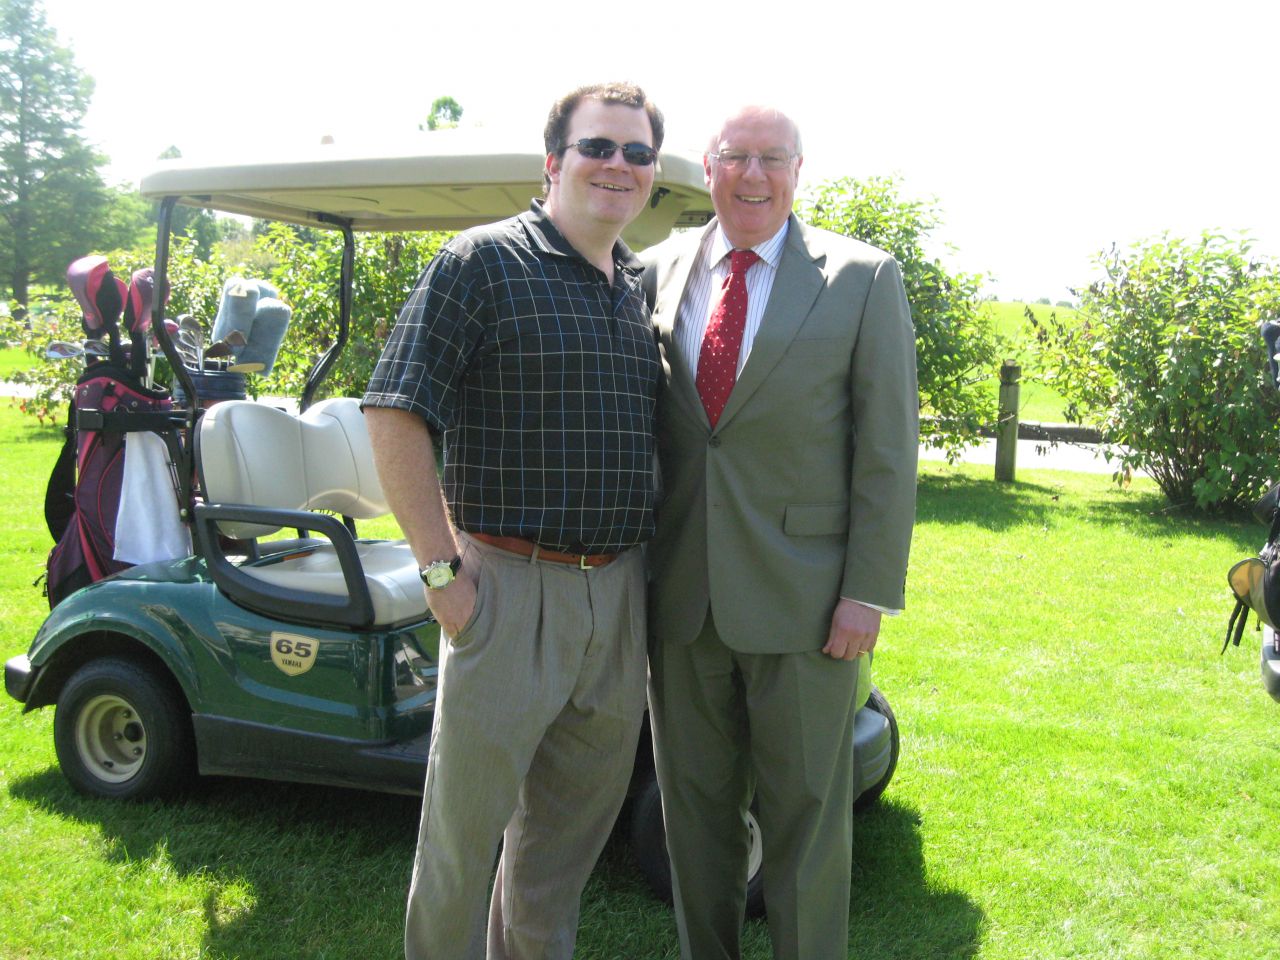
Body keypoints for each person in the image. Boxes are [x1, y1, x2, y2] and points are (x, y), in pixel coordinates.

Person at [361, 82, 664, 960]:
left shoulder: (641, 288)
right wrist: (440, 576)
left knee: (560, 851)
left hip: (618, 599)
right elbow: (395, 412)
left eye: (637, 153)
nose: (619, 165)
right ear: (554, 161)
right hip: (504, 593)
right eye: (599, 147)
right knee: (463, 846)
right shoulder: (480, 262)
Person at [643, 104, 919, 960]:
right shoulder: (652, 270)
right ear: (708, 167)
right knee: (694, 821)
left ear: (799, 171)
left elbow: (887, 453)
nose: (752, 176)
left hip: (809, 606)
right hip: (682, 605)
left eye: (772, 159)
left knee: (805, 824)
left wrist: (866, 593)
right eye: (735, 158)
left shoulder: (861, 278)